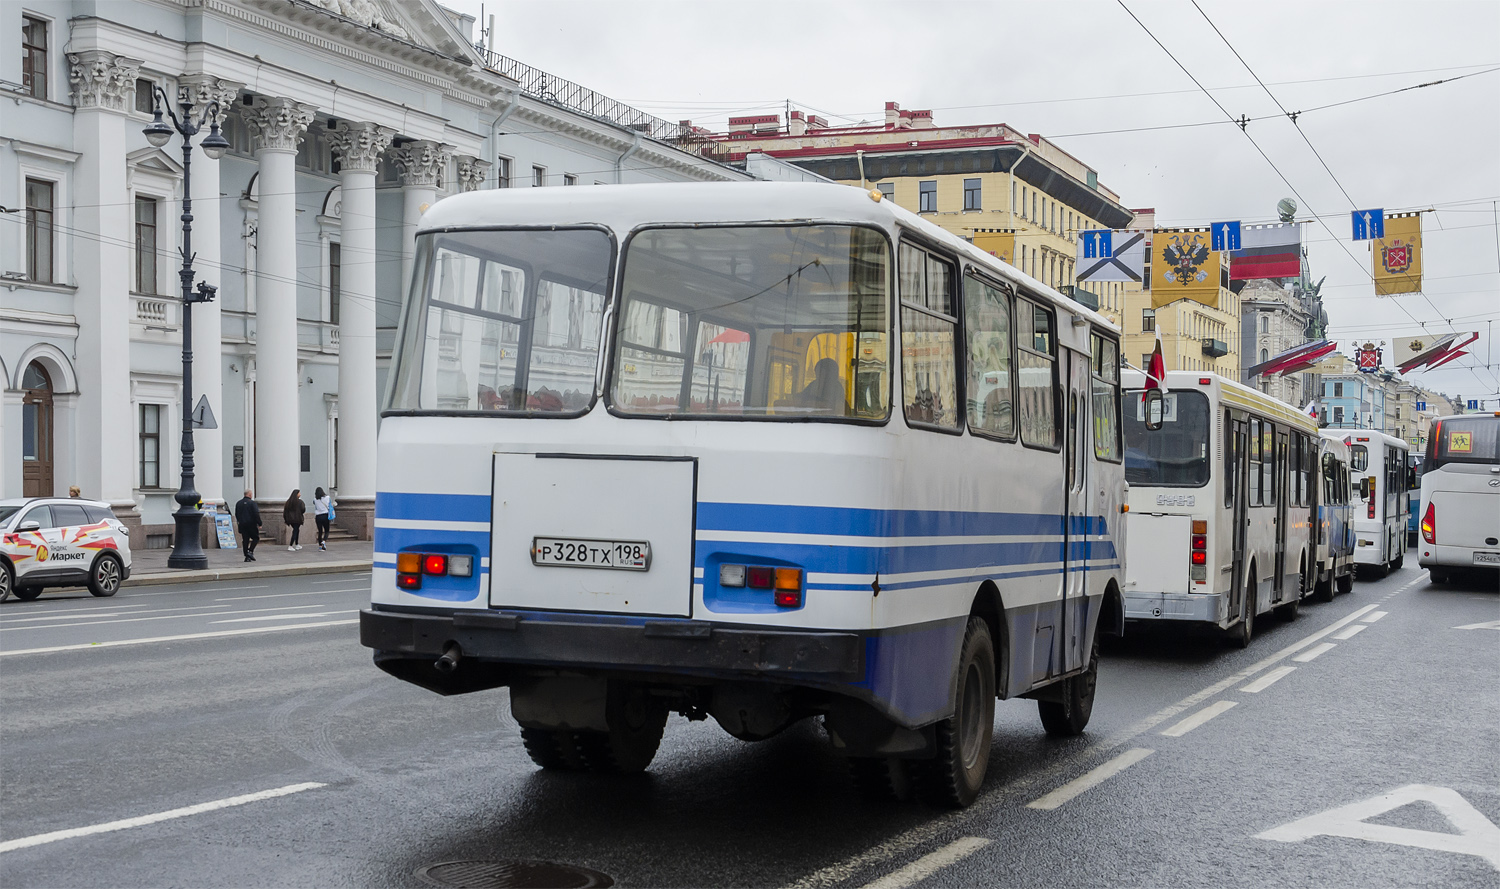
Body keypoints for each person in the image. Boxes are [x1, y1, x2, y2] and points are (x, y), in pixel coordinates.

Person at [234, 489, 261, 562]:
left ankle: (246, 556)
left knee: (245, 540)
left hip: (242, 524)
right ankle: (250, 551)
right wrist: (259, 523)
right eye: (251, 494)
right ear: (249, 495)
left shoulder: (238, 503)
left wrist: (239, 521)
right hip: (251, 524)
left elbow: (236, 514)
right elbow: (256, 514)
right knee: (256, 538)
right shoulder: (252, 503)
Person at [313, 487, 336, 551]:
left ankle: (320, 546)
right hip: (325, 515)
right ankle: (324, 541)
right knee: (326, 530)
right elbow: (330, 505)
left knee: (320, 531)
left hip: (318, 516)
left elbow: (314, 504)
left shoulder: (315, 499)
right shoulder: (327, 498)